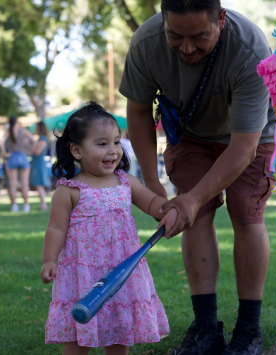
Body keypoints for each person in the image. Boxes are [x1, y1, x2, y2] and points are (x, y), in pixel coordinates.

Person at [119, 0, 276, 355]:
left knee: (245, 213)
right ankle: (206, 328)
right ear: (163, 21)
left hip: (250, 136)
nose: (187, 48)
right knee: (198, 214)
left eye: (199, 36)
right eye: (176, 36)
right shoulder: (145, 43)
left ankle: (248, 330)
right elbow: (138, 114)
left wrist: (189, 198)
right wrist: (154, 184)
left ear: (220, 19)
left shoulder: (250, 49)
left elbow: (242, 148)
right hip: (188, 134)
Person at [41, 102, 177, 354]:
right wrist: (49, 260)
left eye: (116, 142)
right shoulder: (68, 190)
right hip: (81, 273)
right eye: (102, 144)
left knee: (118, 327)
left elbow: (151, 202)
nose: (113, 151)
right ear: (76, 150)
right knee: (76, 331)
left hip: (120, 269)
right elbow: (56, 229)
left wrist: (170, 210)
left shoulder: (126, 182)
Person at [0, 116, 35, 213]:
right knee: (24, 183)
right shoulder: (23, 131)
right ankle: (26, 205)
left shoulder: (8, 132)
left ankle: (14, 205)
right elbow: (34, 141)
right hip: (23, 157)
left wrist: (5, 153)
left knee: (12, 184)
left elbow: (0, 143)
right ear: (16, 122)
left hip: (12, 158)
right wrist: (29, 152)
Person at [29, 121, 51, 211]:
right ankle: (42, 204)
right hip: (37, 163)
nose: (35, 130)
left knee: (39, 184)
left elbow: (37, 152)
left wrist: (32, 144)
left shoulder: (42, 138)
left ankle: (43, 205)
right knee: (38, 184)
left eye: (36, 128)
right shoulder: (41, 139)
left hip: (39, 164)